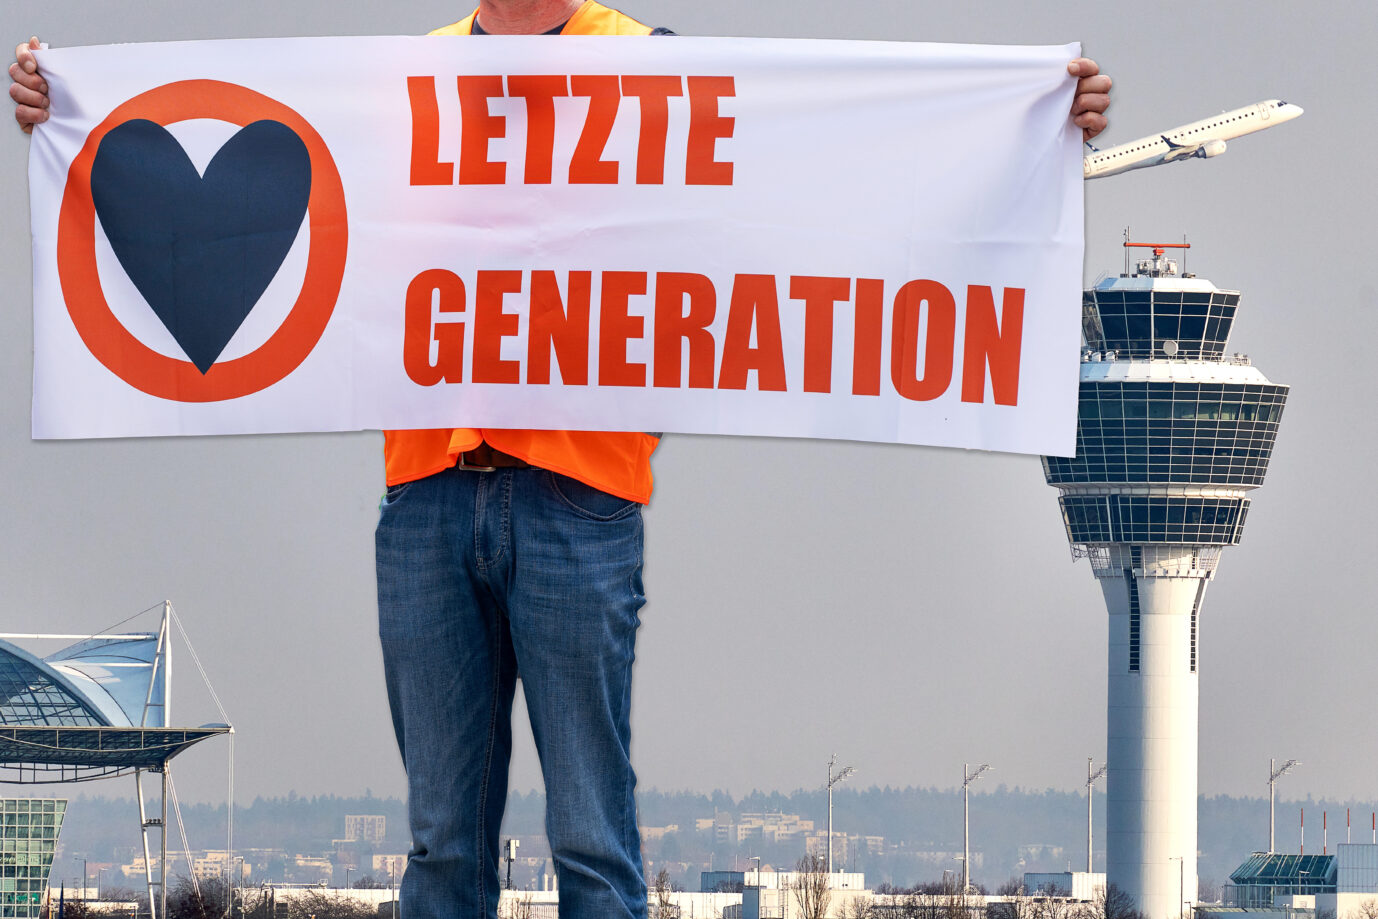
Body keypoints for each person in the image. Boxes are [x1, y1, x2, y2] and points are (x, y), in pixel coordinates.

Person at [10, 6, 1110, 918]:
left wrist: (1030, 125)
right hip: (428, 497)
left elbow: (827, 185)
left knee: (592, 843)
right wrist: (71, 118)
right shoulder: (409, 78)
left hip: (579, 500)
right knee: (443, 845)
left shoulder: (653, 67)